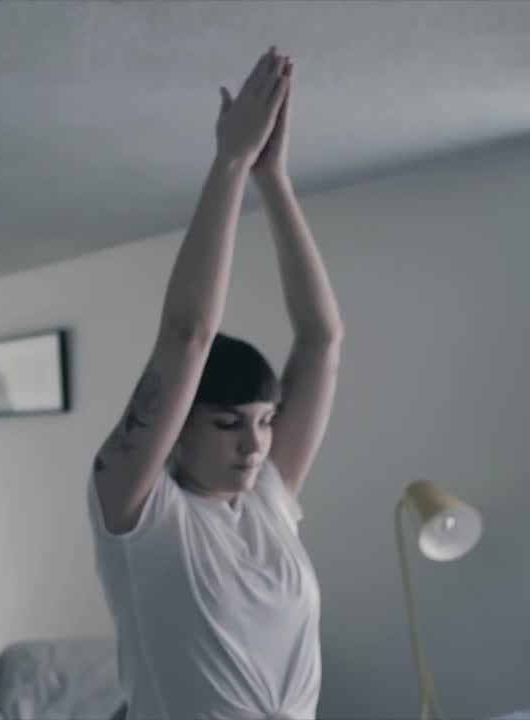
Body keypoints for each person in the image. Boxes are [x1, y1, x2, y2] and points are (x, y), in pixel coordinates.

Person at [88, 46, 344, 720]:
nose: (255, 444)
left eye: (264, 420)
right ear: (176, 429)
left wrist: (276, 182)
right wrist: (229, 166)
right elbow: (187, 334)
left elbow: (322, 340)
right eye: (228, 422)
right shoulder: (138, 511)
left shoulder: (268, 500)